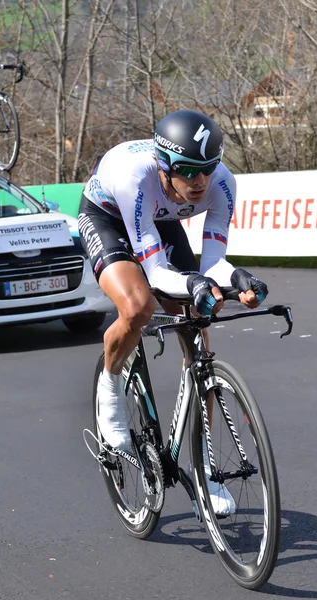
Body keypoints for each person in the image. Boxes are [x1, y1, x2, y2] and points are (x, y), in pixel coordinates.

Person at [78, 109, 268, 516]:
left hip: (161, 221)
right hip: (108, 216)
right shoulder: (136, 177)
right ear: (165, 165)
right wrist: (195, 283)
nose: (198, 181)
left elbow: (212, 264)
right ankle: (109, 396)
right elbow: (158, 274)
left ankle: (203, 469)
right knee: (139, 305)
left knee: (197, 329)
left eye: (207, 168)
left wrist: (237, 278)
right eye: (186, 170)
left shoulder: (221, 184)